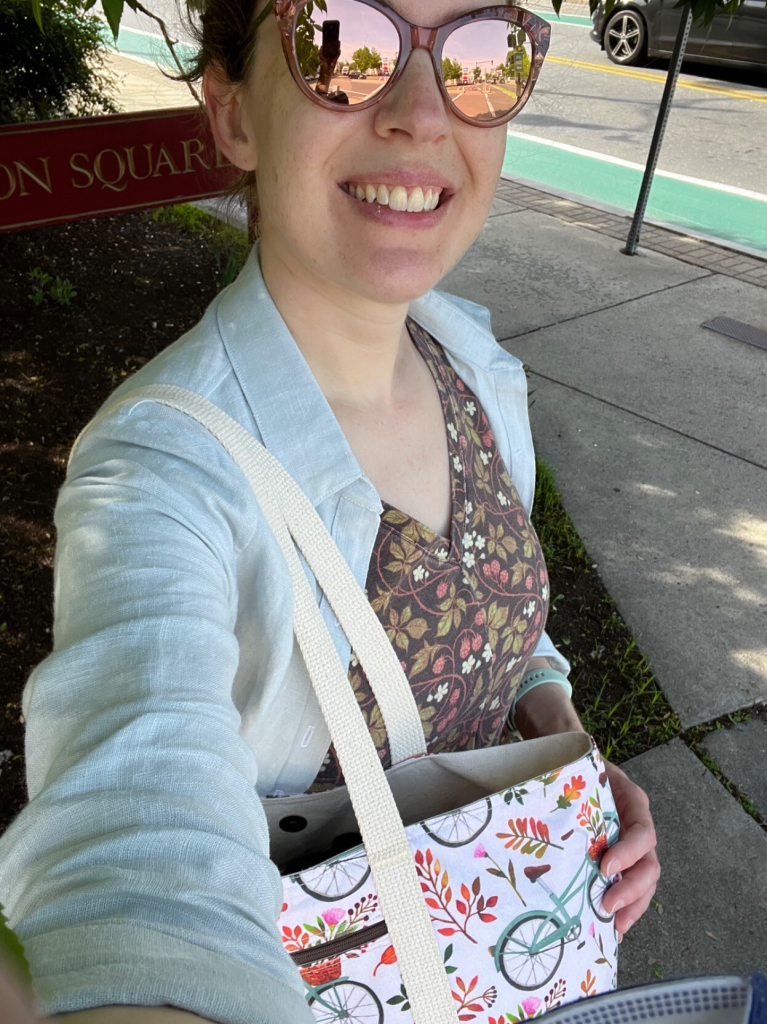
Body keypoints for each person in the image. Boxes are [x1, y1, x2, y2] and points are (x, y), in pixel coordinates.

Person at [0, 1, 659, 1022]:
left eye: (481, 53)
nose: (419, 113)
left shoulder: (475, 370)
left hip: (511, 954)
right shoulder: (155, 472)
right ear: (233, 117)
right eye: (335, 45)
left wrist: (563, 747)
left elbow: (502, 626)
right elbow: (137, 846)